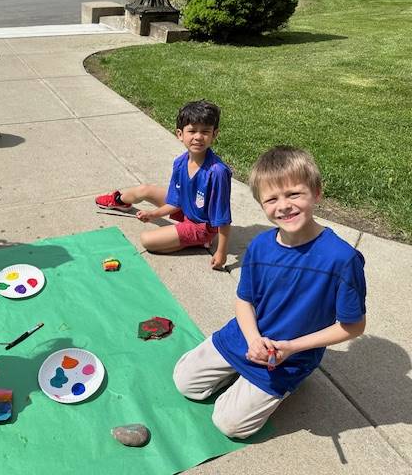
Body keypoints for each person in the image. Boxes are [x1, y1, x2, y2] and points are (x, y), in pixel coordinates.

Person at [173, 146, 367, 439]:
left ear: (316, 193)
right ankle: (243, 373)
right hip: (245, 336)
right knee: (184, 383)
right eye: (272, 199)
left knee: (229, 425)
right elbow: (244, 299)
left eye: (294, 194)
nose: (284, 205)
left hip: (288, 356)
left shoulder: (342, 259)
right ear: (262, 205)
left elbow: (353, 325)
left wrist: (291, 348)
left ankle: (286, 384)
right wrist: (252, 340)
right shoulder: (260, 245)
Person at [95, 100, 232, 269]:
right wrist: (154, 214)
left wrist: (221, 252)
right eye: (192, 131)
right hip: (187, 208)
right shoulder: (180, 162)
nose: (198, 136)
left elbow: (223, 218)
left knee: (148, 240)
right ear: (180, 134)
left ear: (214, 134)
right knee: (145, 190)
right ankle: (119, 200)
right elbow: (176, 202)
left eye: (205, 131)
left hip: (202, 225)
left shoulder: (217, 172)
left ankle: (198, 241)